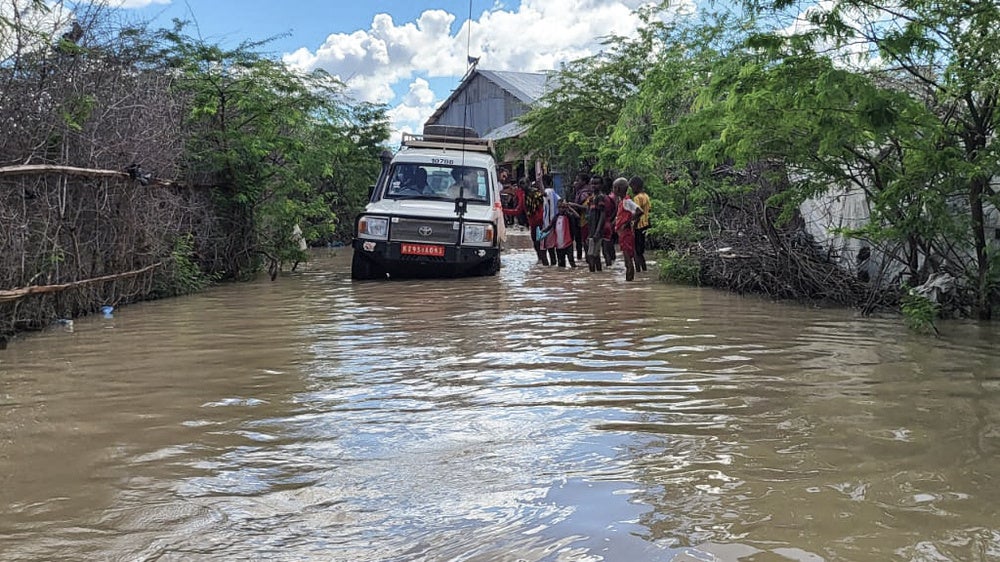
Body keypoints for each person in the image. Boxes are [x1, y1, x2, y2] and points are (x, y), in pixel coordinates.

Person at [613, 177, 644, 281]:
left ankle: (629, 282)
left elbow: (639, 211)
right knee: (628, 260)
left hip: (626, 234)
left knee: (628, 262)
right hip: (623, 234)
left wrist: (628, 223)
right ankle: (630, 283)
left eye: (614, 188)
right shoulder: (622, 202)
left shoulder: (627, 201)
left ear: (617, 189)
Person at [629, 175, 651, 272]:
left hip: (639, 226)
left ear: (636, 186)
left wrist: (633, 225)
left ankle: (638, 271)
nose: (631, 189)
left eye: (631, 187)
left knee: (637, 252)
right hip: (646, 225)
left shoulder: (637, 198)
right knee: (640, 251)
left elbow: (638, 212)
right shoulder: (646, 196)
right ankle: (644, 270)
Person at [539, 174, 559, 266]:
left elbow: (544, 193)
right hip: (553, 224)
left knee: (542, 250)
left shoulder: (548, 191)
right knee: (551, 250)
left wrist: (540, 183)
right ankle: (553, 268)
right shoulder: (555, 193)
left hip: (547, 225)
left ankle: (546, 269)